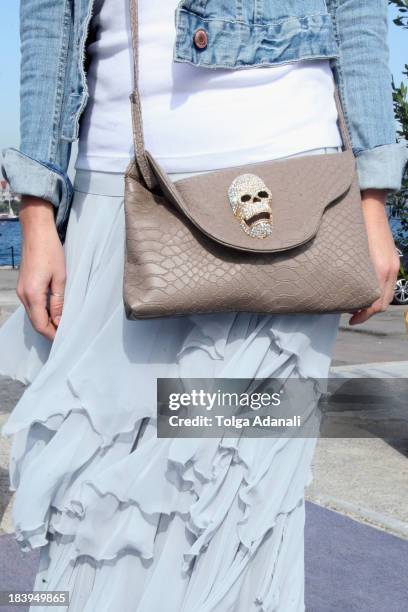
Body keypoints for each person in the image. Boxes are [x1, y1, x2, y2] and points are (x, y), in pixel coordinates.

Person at [0, 1, 406, 610]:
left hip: (290, 212)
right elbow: (47, 20)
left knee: (241, 504)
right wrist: (37, 215)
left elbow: (357, 13)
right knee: (95, 502)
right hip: (121, 191)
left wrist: (372, 202)